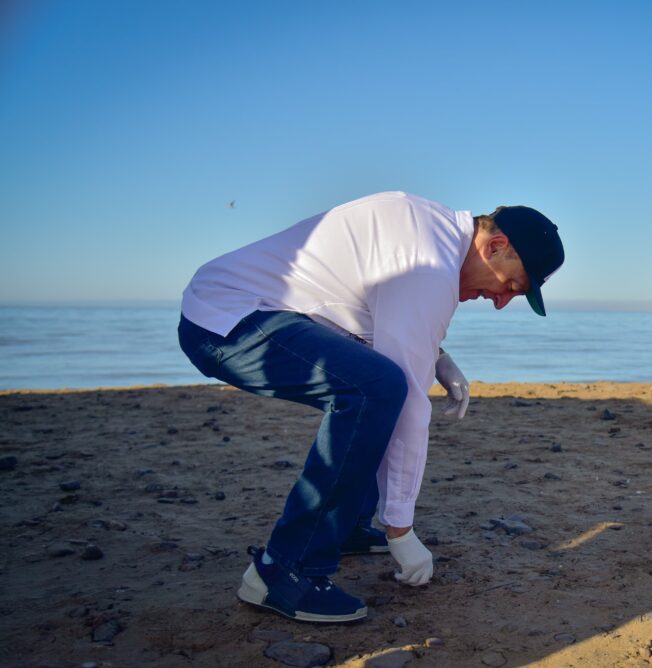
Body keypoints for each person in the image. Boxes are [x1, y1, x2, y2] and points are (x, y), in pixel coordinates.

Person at [177, 191, 564, 623]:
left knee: (378, 383)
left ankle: (345, 526)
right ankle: (284, 569)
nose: (501, 302)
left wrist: (437, 356)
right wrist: (401, 530)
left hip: (256, 310)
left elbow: (369, 314)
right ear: (496, 246)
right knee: (375, 390)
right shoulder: (429, 265)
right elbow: (409, 402)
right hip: (226, 317)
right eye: (511, 286)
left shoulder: (430, 235)